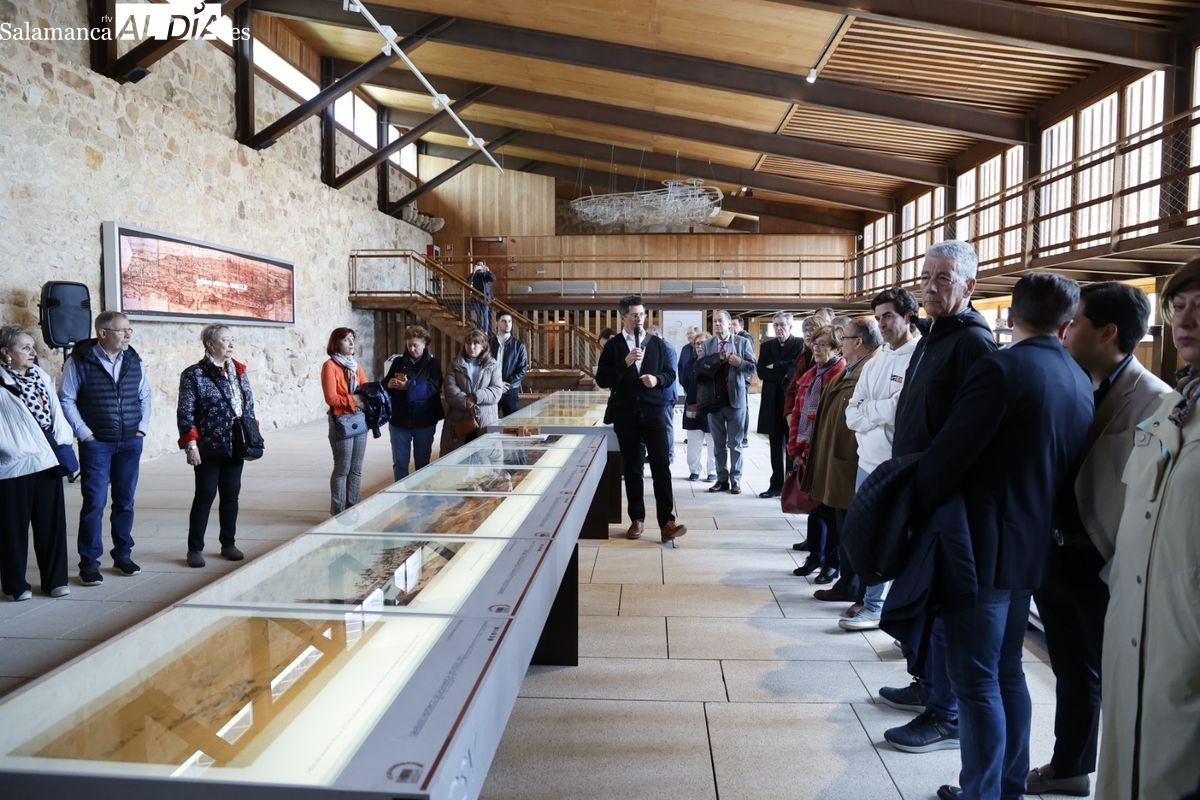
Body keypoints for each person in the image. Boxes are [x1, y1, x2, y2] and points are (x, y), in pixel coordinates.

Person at [915, 273, 1092, 800]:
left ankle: (982, 792)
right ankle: (1006, 786)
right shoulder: (1076, 376)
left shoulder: (1002, 368)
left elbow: (949, 454)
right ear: (1068, 323)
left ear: (1010, 316)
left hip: (982, 544)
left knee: (975, 680)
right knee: (1007, 671)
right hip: (1033, 544)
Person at [1026, 282, 1169, 797]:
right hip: (1057, 551)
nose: (1066, 330)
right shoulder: (1075, 380)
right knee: (1071, 667)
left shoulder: (1153, 398)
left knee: (1120, 677)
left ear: (1108, 332)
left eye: (1077, 321)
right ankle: (1070, 766)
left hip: (1103, 561)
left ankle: (1132, 778)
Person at [880, 240, 998, 757]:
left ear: (969, 286)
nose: (929, 286)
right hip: (920, 491)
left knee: (945, 608)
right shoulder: (935, 335)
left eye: (943, 278)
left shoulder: (973, 343)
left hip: (945, 500)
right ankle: (928, 685)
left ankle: (946, 714)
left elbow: (966, 436)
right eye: (926, 276)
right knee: (924, 604)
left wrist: (926, 487)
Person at [1096, 259, 1200, 800]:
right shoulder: (1173, 407)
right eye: (1178, 306)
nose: (1186, 320)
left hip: (1185, 642)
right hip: (1136, 634)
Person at [838, 288, 921, 631]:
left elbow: (903, 410)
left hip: (895, 464)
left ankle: (885, 608)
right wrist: (881, 409)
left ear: (908, 317)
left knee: (896, 538)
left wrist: (873, 411)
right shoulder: (876, 360)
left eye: (889, 316)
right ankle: (871, 602)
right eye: (878, 317)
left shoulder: (918, 357)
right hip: (866, 461)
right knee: (868, 537)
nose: (882, 324)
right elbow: (851, 415)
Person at [58, 311, 150, 585]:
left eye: (130, 329)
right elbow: (66, 399)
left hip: (130, 442)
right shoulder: (79, 361)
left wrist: (141, 428)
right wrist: (85, 434)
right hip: (97, 444)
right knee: (95, 503)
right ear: (104, 333)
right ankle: (89, 563)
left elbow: (145, 394)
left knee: (125, 501)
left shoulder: (133, 359)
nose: (128, 334)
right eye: (123, 330)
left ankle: (123, 555)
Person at [596, 295, 686, 543]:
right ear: (623, 317)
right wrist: (624, 364)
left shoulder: (657, 344)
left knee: (661, 467)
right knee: (633, 469)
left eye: (642, 314)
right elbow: (602, 379)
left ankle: (667, 522)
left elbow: (670, 374)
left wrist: (657, 380)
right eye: (634, 315)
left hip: (655, 413)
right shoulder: (613, 346)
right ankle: (637, 519)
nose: (639, 319)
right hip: (626, 415)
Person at [805, 315, 881, 595]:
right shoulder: (851, 369)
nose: (841, 343)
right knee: (840, 522)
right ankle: (846, 581)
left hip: (851, 460)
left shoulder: (868, 371)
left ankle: (851, 585)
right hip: (837, 458)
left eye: (844, 338)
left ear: (858, 342)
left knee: (850, 527)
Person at [177, 324, 260, 568]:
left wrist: (252, 433)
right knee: (204, 495)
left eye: (232, 339)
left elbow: (248, 405)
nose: (231, 344)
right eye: (225, 340)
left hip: (235, 444)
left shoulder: (239, 371)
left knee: (231, 495)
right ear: (210, 344)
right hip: (208, 445)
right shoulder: (193, 374)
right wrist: (191, 445)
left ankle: (228, 543)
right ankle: (195, 548)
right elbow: (185, 412)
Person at [0, 325, 72, 600]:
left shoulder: (40, 376)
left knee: (51, 525)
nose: (33, 352)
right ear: (5, 352)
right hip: (14, 463)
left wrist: (63, 439)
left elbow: (55, 412)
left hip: (47, 460)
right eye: (25, 348)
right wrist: (13, 448)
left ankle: (55, 581)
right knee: (13, 529)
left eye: (32, 347)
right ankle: (16, 585)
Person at [787, 324, 845, 580]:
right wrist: (796, 448)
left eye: (823, 344)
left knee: (830, 510)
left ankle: (832, 562)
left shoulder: (840, 375)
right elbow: (798, 413)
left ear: (837, 348)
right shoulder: (810, 375)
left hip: (828, 452)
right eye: (815, 344)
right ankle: (815, 556)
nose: (817, 348)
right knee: (814, 508)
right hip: (808, 451)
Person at [702, 310, 757, 494]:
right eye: (715, 321)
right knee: (718, 445)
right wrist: (712, 363)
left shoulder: (742, 342)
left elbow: (753, 367)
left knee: (735, 444)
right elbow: (700, 369)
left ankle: (736, 480)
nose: (717, 324)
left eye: (720, 321)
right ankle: (721, 479)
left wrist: (739, 362)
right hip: (714, 401)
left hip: (735, 400)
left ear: (729, 323)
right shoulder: (708, 344)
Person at [383, 325, 443, 480]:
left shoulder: (433, 364)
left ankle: (421, 493)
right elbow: (385, 384)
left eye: (415, 345)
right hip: (399, 419)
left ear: (425, 344)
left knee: (422, 463)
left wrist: (408, 386)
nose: (411, 349)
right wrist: (389, 384)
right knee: (400, 463)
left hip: (424, 419)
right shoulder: (398, 362)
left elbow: (433, 388)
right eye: (409, 345)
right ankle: (399, 493)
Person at [756, 312, 804, 498]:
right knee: (775, 445)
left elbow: (795, 369)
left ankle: (790, 486)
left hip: (790, 402)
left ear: (790, 326)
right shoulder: (767, 346)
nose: (779, 328)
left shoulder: (799, 344)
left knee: (791, 445)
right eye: (775, 325)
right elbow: (761, 372)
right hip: (771, 401)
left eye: (782, 325)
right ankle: (775, 485)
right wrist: (784, 372)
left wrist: (775, 366)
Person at [322, 327, 368, 515]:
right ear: (336, 343)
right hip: (341, 420)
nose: (351, 343)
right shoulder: (330, 366)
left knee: (356, 469)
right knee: (342, 469)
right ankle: (338, 512)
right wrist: (354, 400)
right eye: (346, 339)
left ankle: (353, 508)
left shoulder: (355, 366)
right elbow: (331, 398)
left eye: (352, 339)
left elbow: (366, 390)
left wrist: (359, 398)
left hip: (359, 419)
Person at [441, 329, 504, 455]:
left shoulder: (493, 365)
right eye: (468, 343)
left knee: (484, 459)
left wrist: (475, 397)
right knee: (457, 457)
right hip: (459, 419)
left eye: (476, 343)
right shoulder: (455, 364)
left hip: (485, 419)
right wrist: (466, 401)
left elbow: (497, 390)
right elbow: (449, 389)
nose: (471, 347)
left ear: (483, 345)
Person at [680, 331, 717, 482]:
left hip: (712, 407)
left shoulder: (716, 362)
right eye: (697, 344)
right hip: (693, 405)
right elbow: (685, 382)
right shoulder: (690, 364)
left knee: (713, 442)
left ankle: (712, 471)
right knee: (693, 443)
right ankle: (694, 469)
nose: (699, 346)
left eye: (703, 343)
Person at [490, 312, 529, 417]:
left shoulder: (519, 345)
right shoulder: (489, 344)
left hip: (510, 390)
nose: (507, 324)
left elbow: (522, 370)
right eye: (503, 321)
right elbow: (484, 367)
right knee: (490, 423)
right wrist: (497, 383)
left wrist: (506, 384)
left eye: (510, 321)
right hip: (492, 390)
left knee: (512, 424)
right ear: (496, 323)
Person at [729, 316, 754, 446]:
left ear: (741, 326)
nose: (732, 327)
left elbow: (750, 362)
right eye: (731, 324)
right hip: (736, 377)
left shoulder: (745, 339)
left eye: (734, 325)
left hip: (743, 377)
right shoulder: (732, 338)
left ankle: (743, 437)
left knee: (743, 407)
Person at [469, 262, 496, 332]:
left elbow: (493, 279)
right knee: (478, 316)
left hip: (485, 298)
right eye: (478, 265)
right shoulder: (474, 275)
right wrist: (474, 272)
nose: (480, 267)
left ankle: (485, 332)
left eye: (481, 265)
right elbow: (469, 281)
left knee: (485, 315)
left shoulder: (485, 274)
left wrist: (488, 271)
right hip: (476, 297)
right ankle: (479, 331)